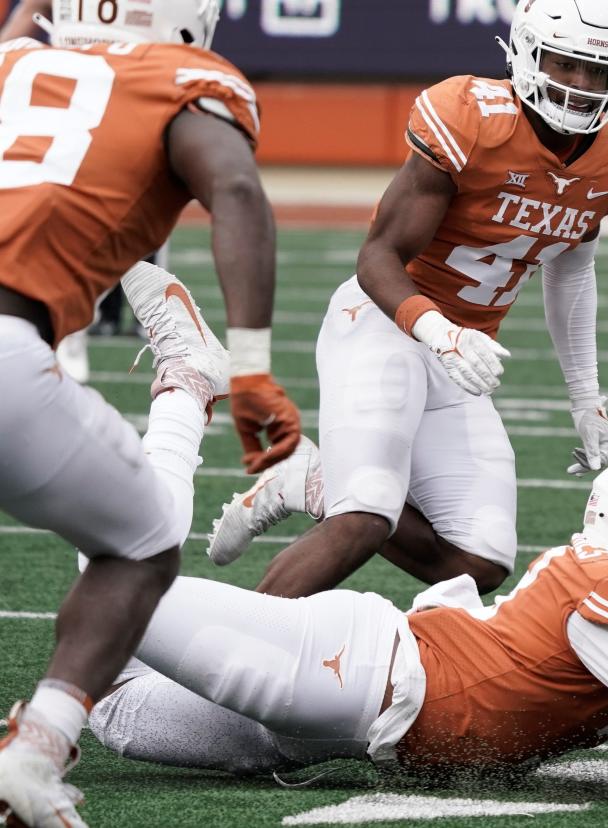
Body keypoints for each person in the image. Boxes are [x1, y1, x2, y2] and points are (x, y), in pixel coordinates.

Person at [204, 0, 608, 601]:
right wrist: (439, 331)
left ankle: (309, 482)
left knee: (481, 560)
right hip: (386, 325)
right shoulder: (471, 117)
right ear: (525, 54)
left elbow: (571, 265)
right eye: (565, 65)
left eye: (596, 72)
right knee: (364, 516)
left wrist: (585, 395)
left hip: (458, 360)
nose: (578, 87)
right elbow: (376, 259)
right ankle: (233, 656)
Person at [0, 0, 303, 822]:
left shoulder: (16, 59)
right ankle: (37, 749)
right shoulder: (189, 78)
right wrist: (252, 368)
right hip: (7, 348)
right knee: (143, 544)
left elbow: (27, 28)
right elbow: (235, 189)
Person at [89, 453, 608, 791]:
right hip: (359, 674)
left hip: (349, 736)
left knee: (114, 713)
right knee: (119, 588)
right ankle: (177, 413)